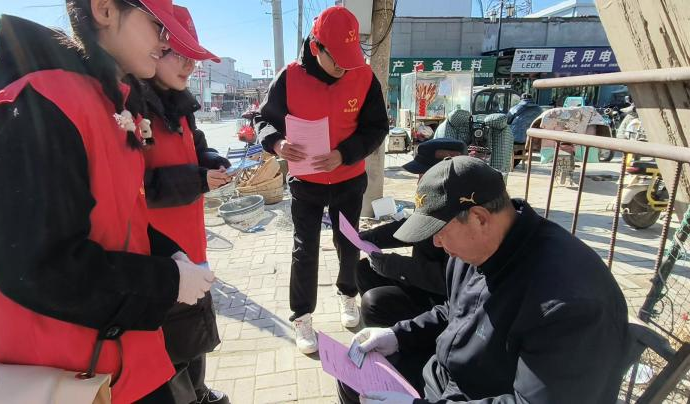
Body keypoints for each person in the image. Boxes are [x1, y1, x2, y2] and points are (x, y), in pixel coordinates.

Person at [0, 1, 216, 402]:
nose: (165, 41)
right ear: (104, 10)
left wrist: (170, 255)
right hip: (68, 372)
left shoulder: (109, 101)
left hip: (123, 358)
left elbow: (118, 216)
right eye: (157, 25)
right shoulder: (41, 106)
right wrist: (167, 280)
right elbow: (32, 264)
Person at [338, 156, 630, 404]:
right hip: (449, 377)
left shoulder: (568, 304)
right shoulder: (476, 249)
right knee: (353, 376)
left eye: (439, 231)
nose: (436, 243)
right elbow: (456, 310)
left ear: (479, 217)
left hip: (484, 394)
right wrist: (398, 335)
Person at [255, 6, 388, 354]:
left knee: (348, 242)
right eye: (337, 59)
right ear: (316, 47)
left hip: (348, 178)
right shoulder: (289, 77)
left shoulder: (363, 76)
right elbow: (263, 120)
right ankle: (302, 316)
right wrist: (277, 143)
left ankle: (348, 293)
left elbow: (377, 127)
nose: (344, 67)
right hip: (307, 183)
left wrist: (345, 153)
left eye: (349, 57)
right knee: (305, 248)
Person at [137, 6, 230, 404]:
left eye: (194, 57)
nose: (190, 65)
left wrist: (213, 163)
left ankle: (200, 391)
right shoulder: (131, 110)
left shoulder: (180, 105)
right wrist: (197, 179)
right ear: (154, 47)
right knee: (171, 345)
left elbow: (197, 148)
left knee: (195, 332)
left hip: (192, 244)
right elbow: (138, 185)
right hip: (159, 250)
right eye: (181, 54)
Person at [356, 138, 465, 328]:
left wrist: (395, 265)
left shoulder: (464, 215)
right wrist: (371, 238)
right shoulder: (436, 197)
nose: (419, 181)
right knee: (364, 269)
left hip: (443, 300)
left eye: (423, 174)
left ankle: (403, 339)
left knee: (374, 302)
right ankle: (391, 332)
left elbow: (447, 278)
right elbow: (411, 227)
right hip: (419, 281)